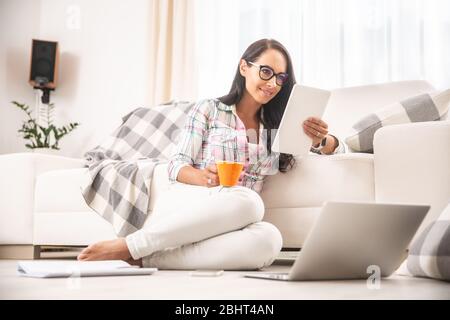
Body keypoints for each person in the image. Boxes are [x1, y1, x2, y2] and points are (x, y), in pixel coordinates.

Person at [77, 39, 345, 269]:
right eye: (265, 72)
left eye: (280, 77)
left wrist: (323, 140)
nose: (273, 83)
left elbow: (336, 150)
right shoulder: (209, 110)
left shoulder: (277, 126)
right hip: (197, 202)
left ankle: (145, 259)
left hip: (235, 218)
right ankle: (133, 244)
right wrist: (202, 177)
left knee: (270, 239)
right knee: (250, 201)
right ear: (244, 67)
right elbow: (176, 165)